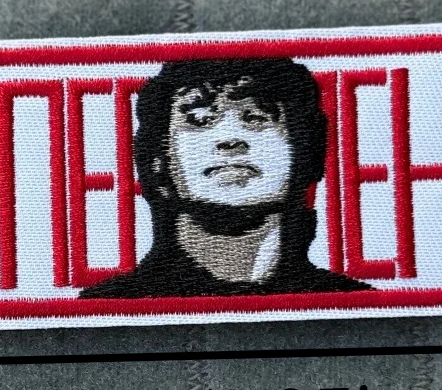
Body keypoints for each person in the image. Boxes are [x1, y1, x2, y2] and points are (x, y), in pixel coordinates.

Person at [81, 57, 371, 298]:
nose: (230, 139)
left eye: (256, 118)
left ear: (306, 150)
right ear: (158, 160)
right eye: (200, 120)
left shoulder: (350, 300)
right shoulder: (110, 305)